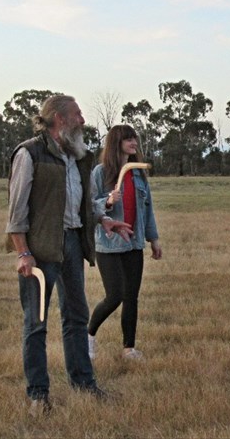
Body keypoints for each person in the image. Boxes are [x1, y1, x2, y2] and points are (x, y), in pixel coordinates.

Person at [5, 95, 133, 415]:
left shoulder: (78, 156)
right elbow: (16, 210)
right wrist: (23, 253)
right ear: (60, 119)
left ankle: (84, 384)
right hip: (40, 249)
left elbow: (83, 202)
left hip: (73, 243)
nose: (83, 120)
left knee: (76, 316)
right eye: (78, 114)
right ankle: (38, 395)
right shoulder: (29, 153)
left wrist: (103, 219)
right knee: (36, 323)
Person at [88, 125, 162, 361]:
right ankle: (88, 336)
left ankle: (129, 348)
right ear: (116, 143)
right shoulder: (100, 173)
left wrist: (153, 239)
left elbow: (147, 209)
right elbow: (90, 206)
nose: (134, 143)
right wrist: (108, 201)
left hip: (134, 243)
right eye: (128, 139)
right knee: (115, 296)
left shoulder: (138, 174)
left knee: (131, 297)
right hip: (109, 244)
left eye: (134, 139)